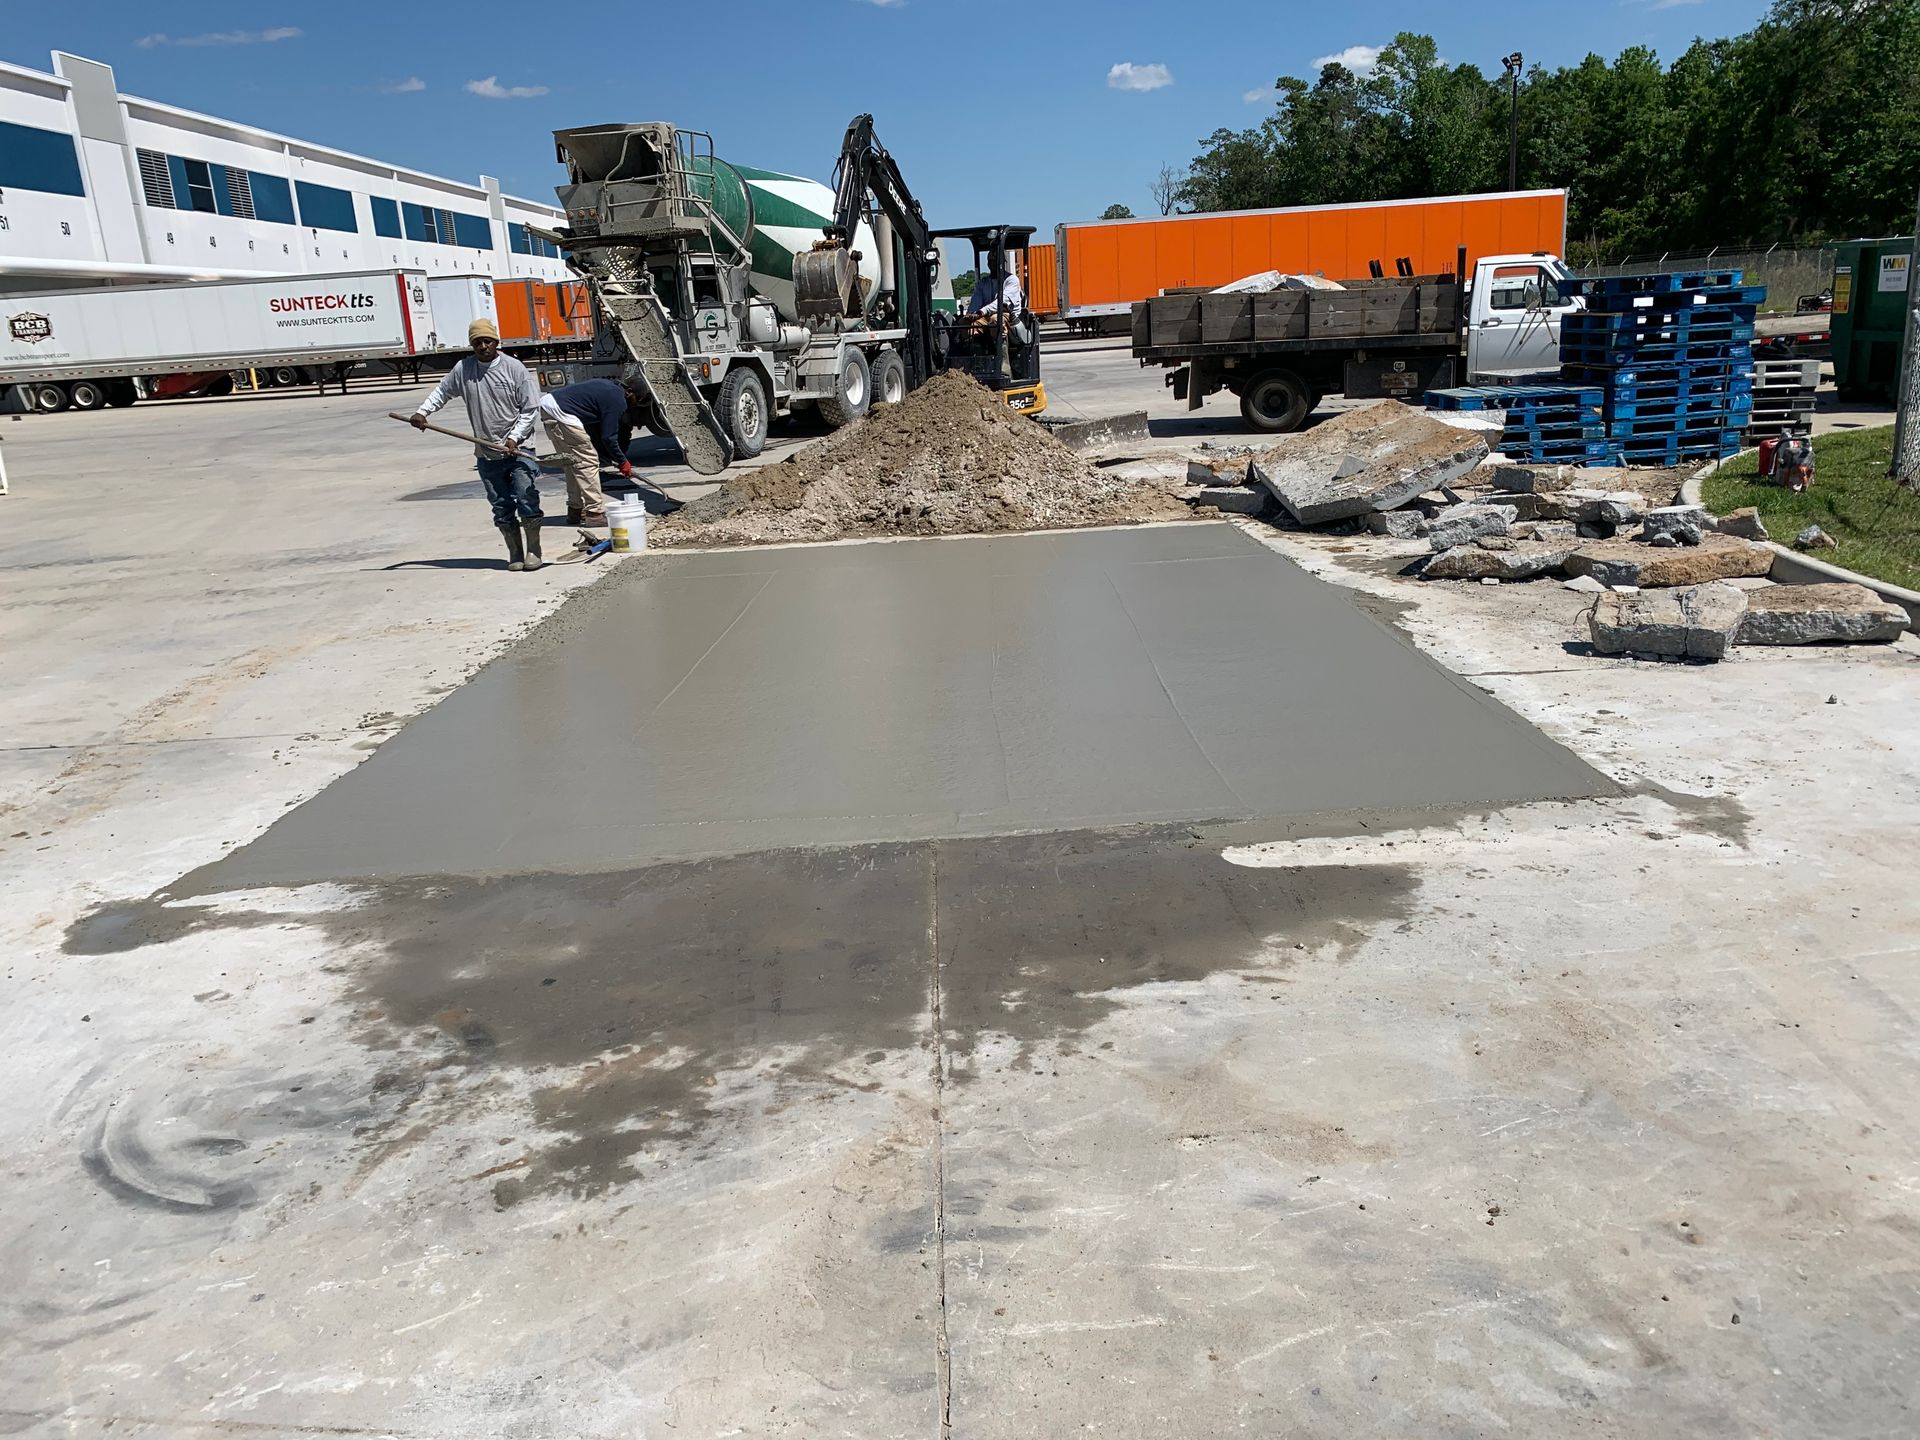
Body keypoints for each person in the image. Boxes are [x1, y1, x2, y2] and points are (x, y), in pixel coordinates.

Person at [410, 318, 545, 572]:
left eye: (487, 341)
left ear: (496, 342)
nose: (483, 346)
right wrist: (422, 412)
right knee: (501, 504)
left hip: (519, 449)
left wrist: (515, 437)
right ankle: (515, 551)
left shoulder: (514, 369)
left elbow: (530, 409)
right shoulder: (463, 369)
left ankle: (533, 550)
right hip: (486, 452)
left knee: (526, 498)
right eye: (477, 343)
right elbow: (442, 392)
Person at [539, 375, 640, 527]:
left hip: (548, 407)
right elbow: (609, 437)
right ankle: (595, 513)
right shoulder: (618, 400)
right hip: (562, 413)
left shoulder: (609, 387)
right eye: (637, 399)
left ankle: (575, 510)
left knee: (571, 462)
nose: (636, 403)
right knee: (589, 463)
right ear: (629, 392)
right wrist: (622, 461)